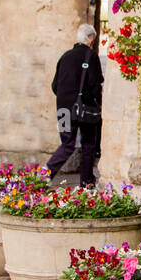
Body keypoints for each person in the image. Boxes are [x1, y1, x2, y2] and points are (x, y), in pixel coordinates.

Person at [48, 23, 103, 186]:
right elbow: (95, 84)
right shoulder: (91, 56)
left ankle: (44, 175)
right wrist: (96, 104)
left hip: (63, 109)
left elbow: (55, 86)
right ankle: (86, 181)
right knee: (88, 143)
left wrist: (66, 99)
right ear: (91, 39)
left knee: (66, 144)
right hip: (85, 110)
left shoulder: (65, 57)